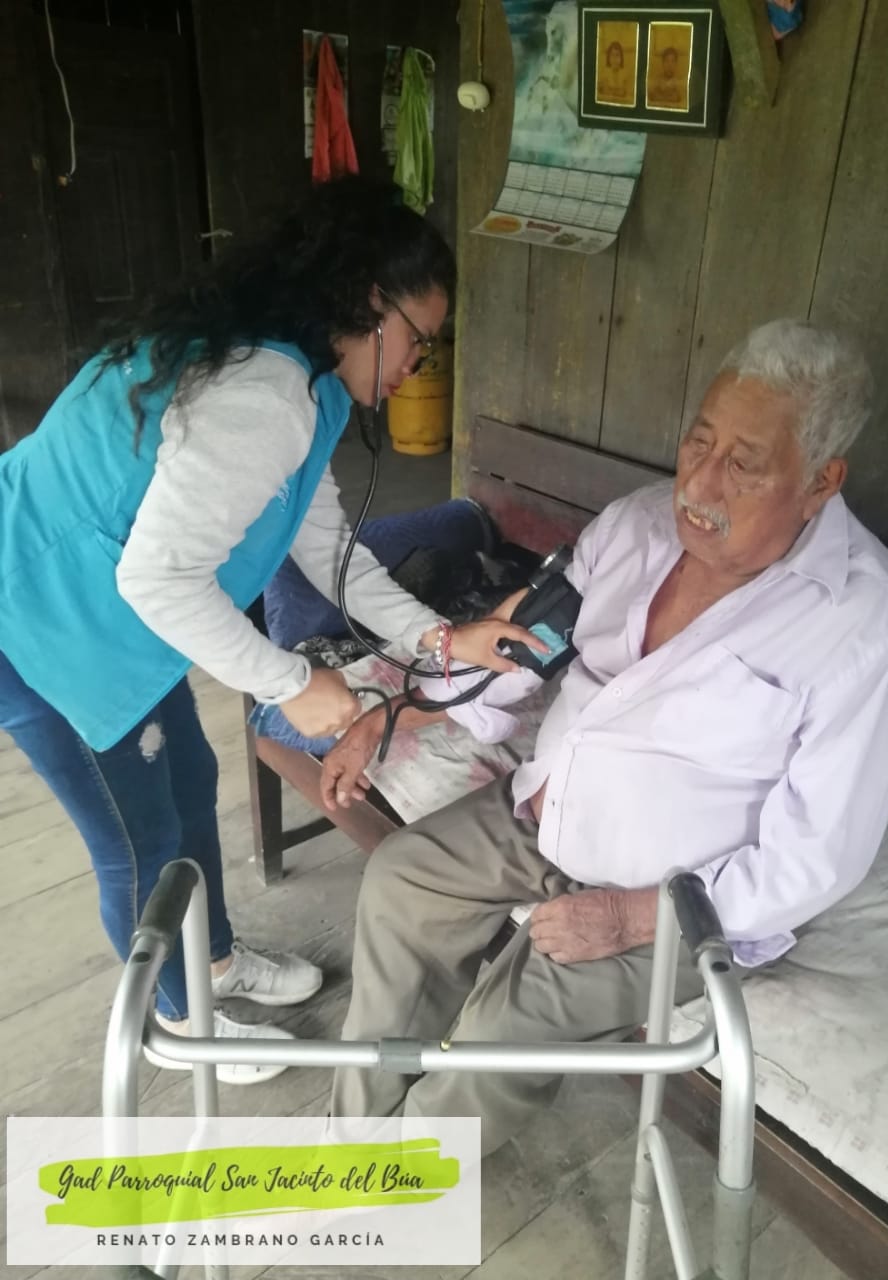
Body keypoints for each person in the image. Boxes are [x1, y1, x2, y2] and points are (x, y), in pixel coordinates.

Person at [321, 319, 888, 1152]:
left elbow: (815, 857)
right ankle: (352, 1141)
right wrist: (390, 713)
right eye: (699, 442)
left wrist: (628, 915)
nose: (700, 484)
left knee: (503, 1029)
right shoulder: (638, 524)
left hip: (678, 894)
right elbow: (517, 647)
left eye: (744, 465)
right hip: (545, 814)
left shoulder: (870, 626)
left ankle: (400, 1182)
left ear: (822, 480)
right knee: (403, 881)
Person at [0, 176, 538, 1085]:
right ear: (370, 302)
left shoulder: (309, 385)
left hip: (116, 622)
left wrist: (442, 642)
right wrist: (293, 683)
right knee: (137, 843)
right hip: (43, 625)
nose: (418, 365)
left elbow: (325, 546)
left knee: (189, 779)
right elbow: (157, 578)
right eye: (419, 338)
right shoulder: (263, 395)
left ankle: (210, 962)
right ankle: (178, 1024)